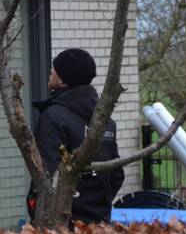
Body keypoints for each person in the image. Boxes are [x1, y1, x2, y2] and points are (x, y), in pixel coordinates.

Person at [28, 48, 125, 224]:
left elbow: (48, 177)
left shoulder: (53, 118)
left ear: (63, 79)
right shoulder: (104, 120)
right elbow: (116, 174)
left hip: (62, 225)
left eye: (55, 69)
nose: (51, 72)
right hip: (99, 221)